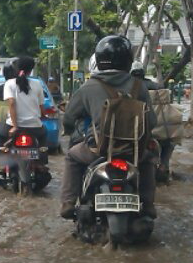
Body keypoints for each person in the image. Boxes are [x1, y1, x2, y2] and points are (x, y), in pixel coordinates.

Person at [59, 35, 157, 220]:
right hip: (133, 152)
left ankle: (68, 202)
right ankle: (149, 203)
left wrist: (69, 130)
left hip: (98, 150)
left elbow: (70, 117)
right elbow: (152, 121)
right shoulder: (139, 86)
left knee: (72, 156)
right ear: (128, 60)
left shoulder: (88, 87)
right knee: (148, 160)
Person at [0, 56, 47, 179]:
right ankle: (41, 162)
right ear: (31, 70)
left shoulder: (8, 85)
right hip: (34, 127)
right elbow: (42, 108)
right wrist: (41, 117)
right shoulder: (37, 84)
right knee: (44, 134)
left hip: (12, 127)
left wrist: (15, 125)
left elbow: (10, 105)